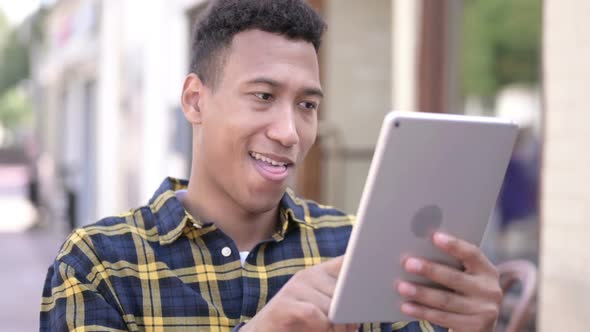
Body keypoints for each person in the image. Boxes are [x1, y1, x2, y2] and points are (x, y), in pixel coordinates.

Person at [40, 0, 502, 331]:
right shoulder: (100, 264)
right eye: (263, 97)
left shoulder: (356, 251)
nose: (290, 132)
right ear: (195, 100)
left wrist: (466, 327)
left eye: (306, 104)